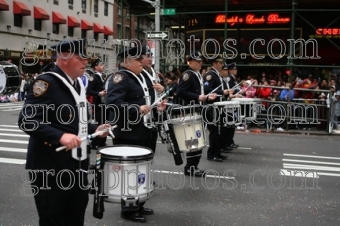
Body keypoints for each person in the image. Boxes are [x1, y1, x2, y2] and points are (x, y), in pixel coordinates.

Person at [18, 39, 109, 226]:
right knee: (52, 218)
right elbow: (27, 120)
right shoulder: (46, 82)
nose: (86, 62)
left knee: (75, 216)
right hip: (51, 166)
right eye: (81, 58)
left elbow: (74, 122)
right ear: (65, 58)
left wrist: (95, 129)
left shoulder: (77, 84)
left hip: (78, 165)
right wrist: (59, 137)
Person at [106, 46, 165, 223]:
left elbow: (148, 100)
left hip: (145, 129)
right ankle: (128, 209)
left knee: (143, 168)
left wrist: (158, 104)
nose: (142, 61)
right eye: (138, 59)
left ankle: (138, 202)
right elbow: (113, 104)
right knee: (130, 170)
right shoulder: (120, 77)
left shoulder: (142, 76)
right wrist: (135, 108)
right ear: (126, 61)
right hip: (129, 131)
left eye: (142, 59)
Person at [176, 51, 216, 176]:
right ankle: (190, 167)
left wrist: (208, 97)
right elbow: (180, 92)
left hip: (197, 110)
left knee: (197, 139)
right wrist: (198, 97)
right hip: (190, 111)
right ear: (190, 62)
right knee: (193, 141)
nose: (200, 63)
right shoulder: (188, 74)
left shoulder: (196, 74)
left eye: (201, 61)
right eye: (197, 61)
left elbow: (200, 93)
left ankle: (194, 166)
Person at [203, 55, 229, 162]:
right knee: (215, 131)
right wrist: (222, 92)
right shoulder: (211, 75)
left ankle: (217, 152)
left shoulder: (216, 75)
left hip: (218, 106)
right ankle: (212, 154)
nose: (222, 65)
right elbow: (206, 89)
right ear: (214, 63)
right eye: (220, 63)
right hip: (213, 107)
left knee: (219, 131)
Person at [86, 58, 107, 149]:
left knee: (104, 122)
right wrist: (99, 93)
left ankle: (102, 141)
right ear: (96, 67)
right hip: (98, 103)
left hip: (104, 103)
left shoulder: (103, 76)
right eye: (101, 65)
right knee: (99, 123)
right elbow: (89, 90)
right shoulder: (93, 77)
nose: (103, 66)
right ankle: (95, 142)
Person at [224, 62, 240, 150]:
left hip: (232, 102)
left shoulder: (232, 79)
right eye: (234, 69)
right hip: (229, 103)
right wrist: (235, 94)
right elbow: (230, 90)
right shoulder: (229, 79)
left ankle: (229, 141)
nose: (236, 70)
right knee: (230, 124)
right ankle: (228, 142)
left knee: (232, 124)